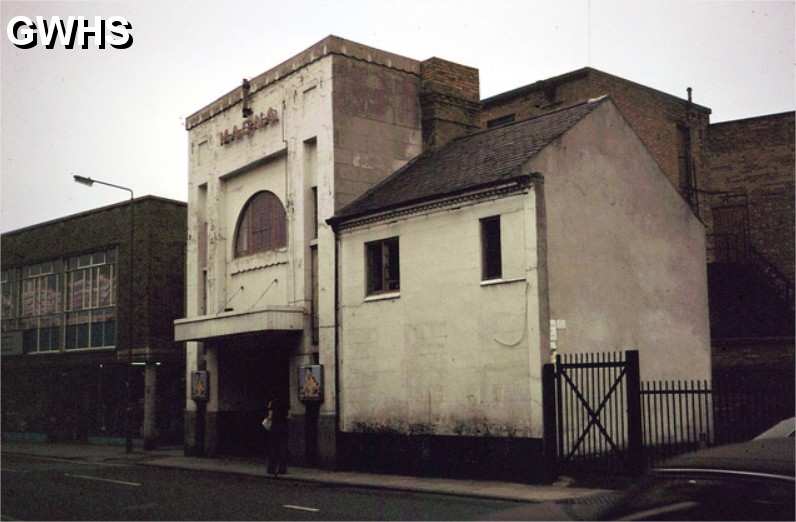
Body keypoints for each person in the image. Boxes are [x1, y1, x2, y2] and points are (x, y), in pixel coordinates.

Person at [265, 398, 288, 477]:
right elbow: (289, 415)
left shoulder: (272, 403)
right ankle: (282, 468)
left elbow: (270, 416)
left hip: (275, 427)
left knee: (273, 448)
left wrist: (267, 420)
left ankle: (272, 468)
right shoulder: (285, 403)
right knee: (283, 448)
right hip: (283, 427)